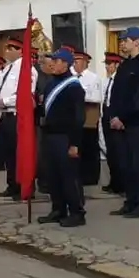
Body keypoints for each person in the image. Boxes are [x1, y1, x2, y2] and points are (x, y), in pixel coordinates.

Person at [107, 27, 139, 219]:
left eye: (125, 40)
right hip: (121, 123)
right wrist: (113, 115)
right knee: (126, 165)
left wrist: (123, 117)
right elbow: (116, 94)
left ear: (136, 42)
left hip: (138, 123)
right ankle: (130, 201)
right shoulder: (125, 65)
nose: (122, 43)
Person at [38, 48, 86, 227]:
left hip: (65, 137)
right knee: (53, 175)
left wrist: (75, 143)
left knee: (69, 176)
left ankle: (77, 212)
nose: (52, 64)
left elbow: (78, 117)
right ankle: (58, 208)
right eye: (52, 60)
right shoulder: (51, 83)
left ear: (65, 64)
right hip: (50, 135)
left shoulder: (73, 86)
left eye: (56, 61)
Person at [0, 38, 37, 200]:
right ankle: (12, 184)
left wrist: (5, 102)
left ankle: (24, 186)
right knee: (9, 153)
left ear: (20, 51)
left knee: (20, 153)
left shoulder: (27, 69)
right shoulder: (7, 68)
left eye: (11, 48)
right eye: (7, 47)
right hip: (5, 115)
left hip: (17, 115)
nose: (7, 50)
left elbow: (25, 94)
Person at [72, 50, 103, 190]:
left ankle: (91, 176)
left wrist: (80, 95)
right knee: (77, 146)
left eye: (77, 61)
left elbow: (96, 97)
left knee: (90, 147)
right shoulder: (72, 77)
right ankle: (78, 174)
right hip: (75, 117)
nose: (75, 64)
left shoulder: (93, 78)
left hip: (89, 116)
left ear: (85, 62)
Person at [99, 51, 122, 193]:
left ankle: (120, 183)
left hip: (115, 115)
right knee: (110, 151)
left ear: (116, 65)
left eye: (110, 64)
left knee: (117, 151)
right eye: (106, 64)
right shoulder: (105, 81)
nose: (107, 67)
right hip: (105, 114)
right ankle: (113, 181)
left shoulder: (119, 80)